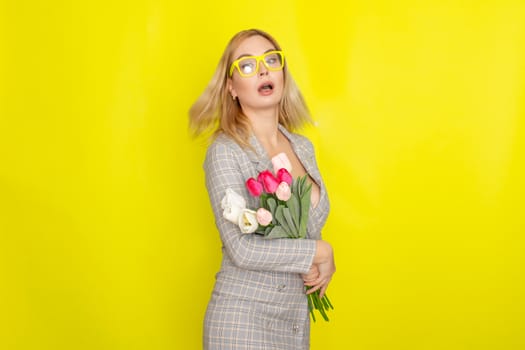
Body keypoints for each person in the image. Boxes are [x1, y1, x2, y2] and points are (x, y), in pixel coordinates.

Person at [189, 28, 336, 350]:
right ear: (231, 87)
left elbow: (303, 230)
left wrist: (321, 262)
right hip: (243, 319)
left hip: (294, 319)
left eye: (271, 59)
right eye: (247, 65)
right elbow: (241, 248)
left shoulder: (302, 147)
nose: (263, 69)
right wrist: (320, 252)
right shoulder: (226, 151)